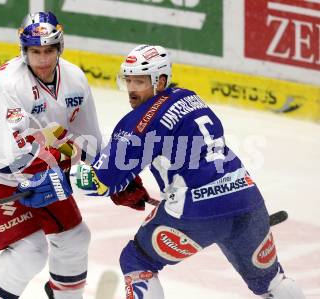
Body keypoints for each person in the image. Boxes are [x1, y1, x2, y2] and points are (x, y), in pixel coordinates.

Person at [75, 44, 305, 298]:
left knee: (137, 261)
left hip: (194, 210)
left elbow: (99, 181)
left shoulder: (140, 121)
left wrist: (58, 179)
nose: (131, 90)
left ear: (160, 81)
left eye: (139, 81)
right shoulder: (189, 97)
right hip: (246, 198)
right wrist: (127, 181)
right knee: (273, 283)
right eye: (128, 80)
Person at [0, 11, 102, 299]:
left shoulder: (74, 78)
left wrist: (113, 177)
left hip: (40, 167)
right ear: (24, 51)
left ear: (59, 47)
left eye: (49, 50)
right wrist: (60, 171)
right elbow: (7, 159)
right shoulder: (7, 85)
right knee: (31, 251)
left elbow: (90, 140)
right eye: (35, 51)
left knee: (75, 239)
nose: (43, 59)